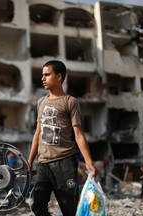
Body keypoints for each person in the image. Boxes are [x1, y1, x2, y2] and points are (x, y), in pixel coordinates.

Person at [27, 60, 97, 216]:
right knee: (37, 206)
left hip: (65, 163)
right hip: (43, 164)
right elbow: (37, 134)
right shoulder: (41, 102)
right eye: (42, 75)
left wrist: (89, 162)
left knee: (69, 209)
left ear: (59, 77)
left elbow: (78, 134)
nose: (42, 78)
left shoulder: (70, 102)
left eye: (47, 75)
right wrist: (29, 161)